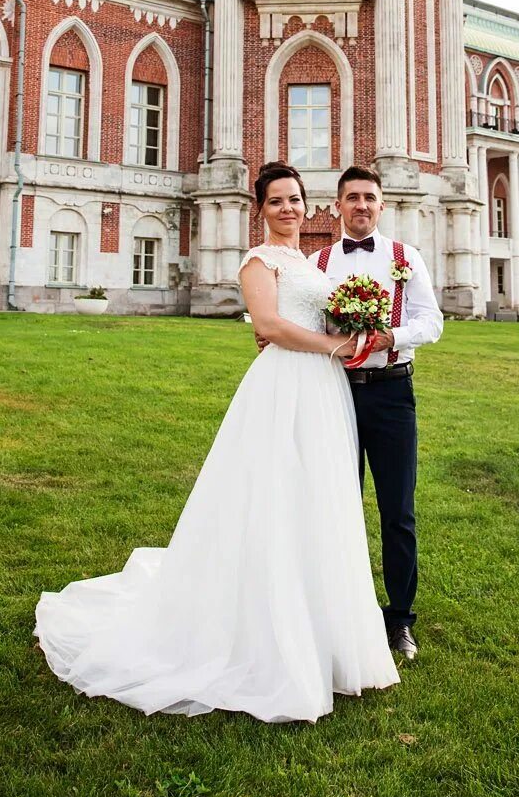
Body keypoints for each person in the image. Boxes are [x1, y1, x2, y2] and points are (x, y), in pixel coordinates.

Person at [34, 162, 398, 723]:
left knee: (318, 501)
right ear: (260, 210)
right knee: (273, 497)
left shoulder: (309, 261)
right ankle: (263, 631)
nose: (288, 209)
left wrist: (353, 330)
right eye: (275, 201)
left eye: (295, 199)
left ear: (308, 204)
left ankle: (324, 630)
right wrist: (333, 344)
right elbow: (269, 327)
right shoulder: (257, 260)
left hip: (325, 393)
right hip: (286, 385)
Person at [312, 166, 444, 662]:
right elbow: (301, 320)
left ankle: (399, 620)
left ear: (381, 205)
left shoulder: (404, 257)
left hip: (392, 394)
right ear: (338, 205)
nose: (361, 206)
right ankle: (336, 613)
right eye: (352, 198)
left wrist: (395, 337)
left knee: (398, 512)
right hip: (335, 392)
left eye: (369, 197)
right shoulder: (320, 261)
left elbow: (432, 321)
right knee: (334, 505)